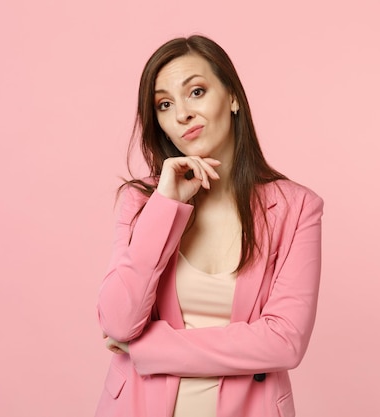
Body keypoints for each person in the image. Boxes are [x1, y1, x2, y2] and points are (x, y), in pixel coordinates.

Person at [95, 35, 323, 417]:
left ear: (232, 97)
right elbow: (118, 321)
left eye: (196, 91)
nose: (182, 114)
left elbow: (284, 341)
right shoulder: (141, 202)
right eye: (165, 105)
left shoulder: (296, 207)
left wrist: (147, 349)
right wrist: (165, 205)